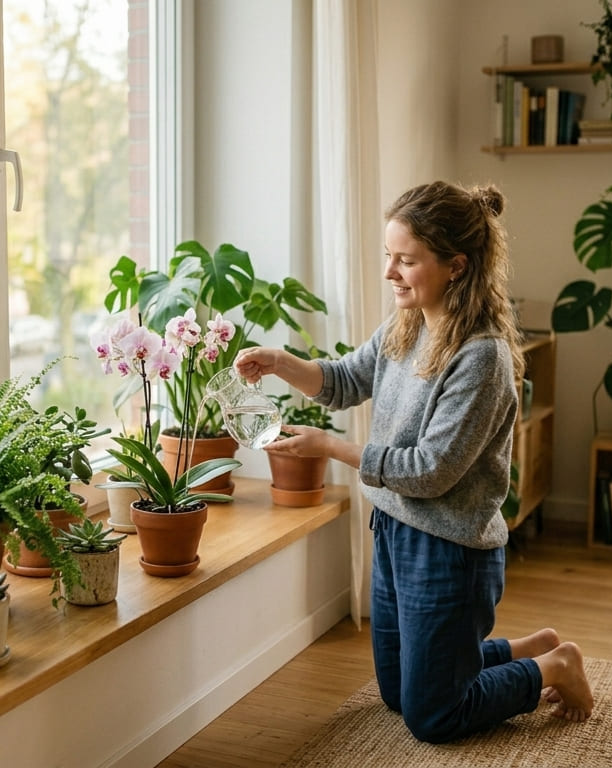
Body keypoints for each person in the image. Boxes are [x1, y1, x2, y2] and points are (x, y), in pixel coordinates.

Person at [234, 180, 593, 743]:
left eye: (406, 260)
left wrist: (330, 448)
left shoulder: (482, 357)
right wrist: (282, 362)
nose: (390, 273)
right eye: (388, 256)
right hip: (394, 530)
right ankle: (527, 649)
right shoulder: (407, 326)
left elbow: (430, 471)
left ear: (456, 265)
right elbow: (345, 379)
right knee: (398, 693)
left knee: (434, 717)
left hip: (450, 549)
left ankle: (554, 667)